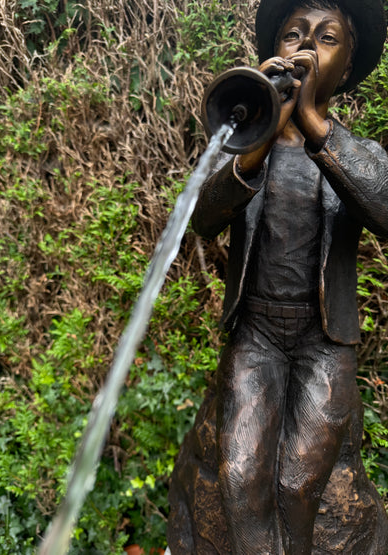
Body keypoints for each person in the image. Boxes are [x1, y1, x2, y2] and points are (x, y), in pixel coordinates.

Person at [168, 0, 388, 553]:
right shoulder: (248, 149)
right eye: (294, 34)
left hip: (323, 344)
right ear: (275, 50)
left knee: (298, 483)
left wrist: (313, 121)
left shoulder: (354, 152)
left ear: (347, 62)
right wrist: (262, 129)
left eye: (326, 38)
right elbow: (203, 218)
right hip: (257, 337)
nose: (307, 47)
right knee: (242, 478)